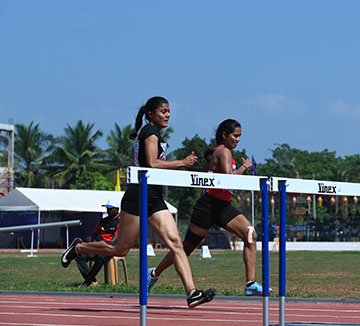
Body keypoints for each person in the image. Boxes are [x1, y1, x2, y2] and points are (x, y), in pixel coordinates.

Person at [61, 96, 216, 308]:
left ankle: (192, 293)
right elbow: (151, 163)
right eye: (163, 111)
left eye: (169, 111)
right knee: (120, 249)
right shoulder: (150, 133)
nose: (168, 115)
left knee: (176, 244)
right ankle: (79, 248)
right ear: (151, 114)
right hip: (137, 196)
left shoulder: (155, 134)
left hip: (154, 198)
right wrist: (183, 162)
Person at [146, 119, 268, 296]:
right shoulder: (223, 151)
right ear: (224, 135)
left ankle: (250, 283)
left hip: (224, 205)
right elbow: (229, 178)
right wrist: (244, 166)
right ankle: (154, 274)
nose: (238, 140)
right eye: (235, 136)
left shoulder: (220, 153)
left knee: (250, 235)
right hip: (209, 206)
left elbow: (206, 172)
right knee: (186, 248)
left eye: (240, 136)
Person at [75, 201, 120, 287]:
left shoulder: (120, 222)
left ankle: (87, 282)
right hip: (99, 247)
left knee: (100, 257)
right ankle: (92, 280)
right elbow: (95, 234)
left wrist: (98, 249)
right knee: (78, 255)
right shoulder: (102, 221)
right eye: (107, 208)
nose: (108, 210)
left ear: (117, 209)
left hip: (111, 249)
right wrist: (93, 246)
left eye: (110, 209)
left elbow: (113, 241)